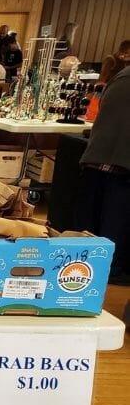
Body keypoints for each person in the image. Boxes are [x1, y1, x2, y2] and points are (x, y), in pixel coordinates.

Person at [79, 66, 130, 284]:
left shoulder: (122, 75)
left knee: (97, 216)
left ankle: (92, 265)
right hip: (121, 159)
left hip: (100, 154)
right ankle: (110, 269)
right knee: (116, 217)